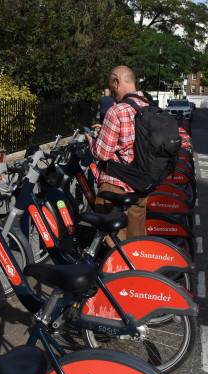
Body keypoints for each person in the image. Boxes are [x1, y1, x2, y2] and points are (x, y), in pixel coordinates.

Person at [86, 65, 149, 247]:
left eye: (112, 88)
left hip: (115, 187)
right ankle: (136, 274)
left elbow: (103, 153)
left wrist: (92, 142)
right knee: (135, 244)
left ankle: (112, 275)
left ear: (117, 82)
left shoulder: (117, 111)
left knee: (111, 244)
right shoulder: (148, 107)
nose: (113, 94)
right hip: (141, 186)